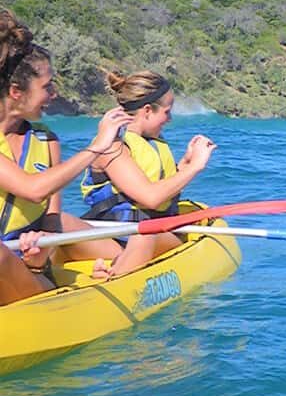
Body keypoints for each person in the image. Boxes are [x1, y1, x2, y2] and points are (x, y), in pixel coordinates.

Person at [0, 8, 131, 305]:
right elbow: (33, 189)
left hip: (31, 274)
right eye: (47, 86)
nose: (54, 94)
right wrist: (95, 148)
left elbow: (51, 218)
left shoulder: (47, 142)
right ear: (16, 91)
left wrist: (39, 256)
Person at [81, 69, 216, 277]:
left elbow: (156, 189)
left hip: (153, 235)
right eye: (167, 112)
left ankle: (115, 271)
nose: (169, 119)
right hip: (114, 237)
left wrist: (184, 165)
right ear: (147, 111)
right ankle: (113, 273)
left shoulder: (150, 141)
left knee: (144, 234)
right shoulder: (111, 146)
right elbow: (151, 198)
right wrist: (196, 166)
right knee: (59, 221)